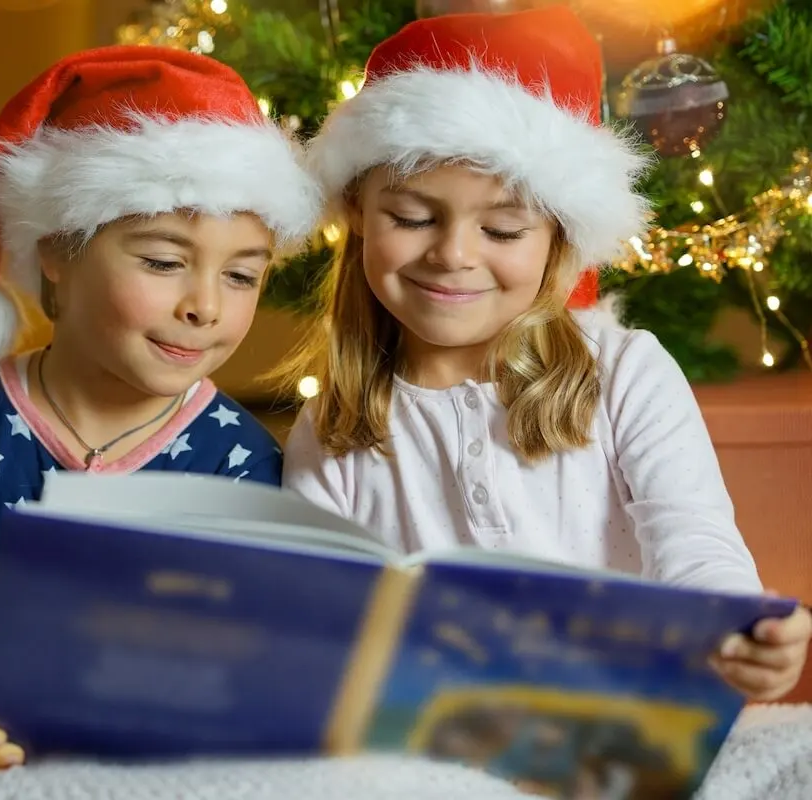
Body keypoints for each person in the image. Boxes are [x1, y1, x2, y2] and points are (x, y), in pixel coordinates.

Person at [279, 8, 810, 703]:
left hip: (630, 719)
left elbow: (692, 540)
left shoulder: (625, 372)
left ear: (557, 241)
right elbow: (320, 625)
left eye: (502, 228)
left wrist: (739, 629)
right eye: (411, 218)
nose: (454, 255)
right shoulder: (333, 426)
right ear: (357, 213)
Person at [0, 44, 321, 769]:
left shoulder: (241, 459)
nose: (205, 306)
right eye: (164, 262)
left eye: (241, 275)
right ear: (57, 251)